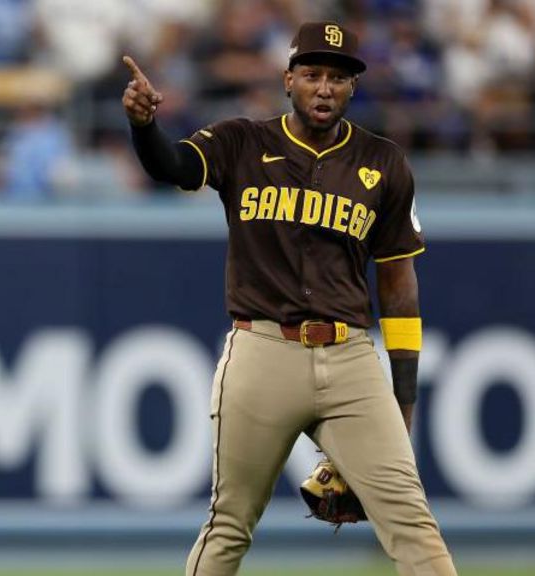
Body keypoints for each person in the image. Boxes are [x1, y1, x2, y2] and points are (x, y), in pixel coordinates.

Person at [122, 21, 458, 576]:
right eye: (312, 74)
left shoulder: (385, 163)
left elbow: (398, 283)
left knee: (413, 523)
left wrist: (404, 396)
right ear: (288, 80)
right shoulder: (241, 142)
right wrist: (143, 126)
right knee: (229, 524)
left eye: (337, 77)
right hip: (262, 350)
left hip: (350, 359)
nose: (324, 87)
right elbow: (173, 166)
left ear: (353, 87)